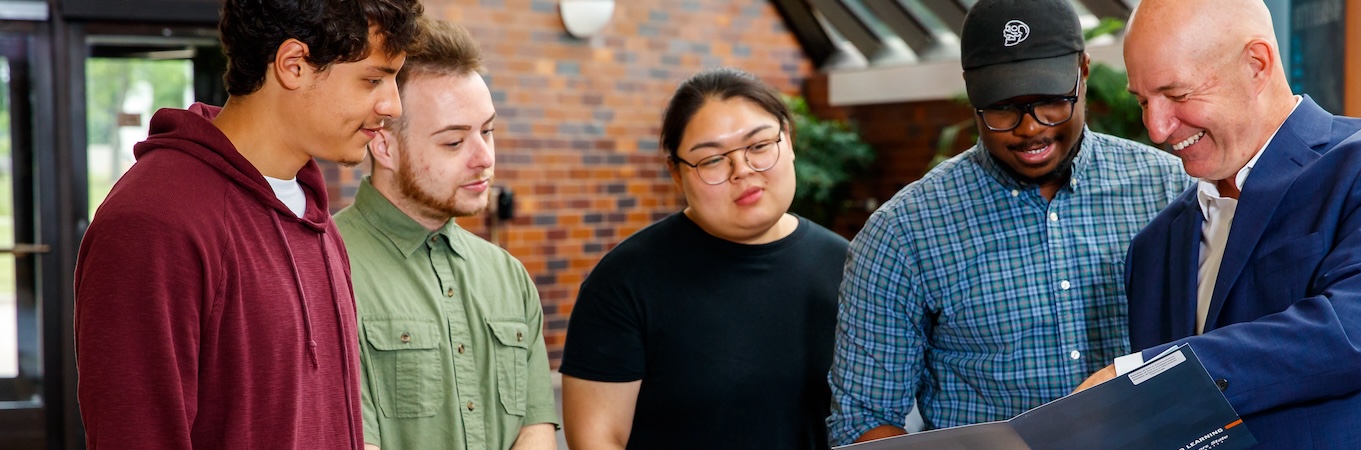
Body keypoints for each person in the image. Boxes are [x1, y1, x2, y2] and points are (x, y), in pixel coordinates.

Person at [1072, 0, 1361, 448]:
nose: (1156, 129)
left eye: (1177, 95)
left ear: (1257, 64)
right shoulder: (1155, 246)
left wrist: (1145, 376)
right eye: (1143, 101)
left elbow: (1353, 337)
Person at [826, 0, 1190, 445]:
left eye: (1051, 102)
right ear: (971, 90)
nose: (1030, 129)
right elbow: (863, 420)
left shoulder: (1170, 188)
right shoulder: (902, 233)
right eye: (1002, 108)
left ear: (1084, 70)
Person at [72, 1, 422, 449]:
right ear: (293, 64)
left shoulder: (311, 213)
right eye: (373, 79)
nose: (391, 105)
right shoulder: (155, 222)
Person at [559, 67, 849, 450]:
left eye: (759, 146)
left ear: (789, 141)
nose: (742, 170)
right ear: (676, 174)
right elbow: (599, 439)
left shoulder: (848, 265)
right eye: (712, 160)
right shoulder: (624, 282)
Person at [335, 19, 557, 450]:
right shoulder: (325, 267)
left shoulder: (508, 275)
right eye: (454, 142)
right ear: (384, 147)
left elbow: (536, 431)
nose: (484, 158)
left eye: (488, 131)